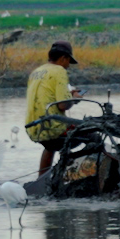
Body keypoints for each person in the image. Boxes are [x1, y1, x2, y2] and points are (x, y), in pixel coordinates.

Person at [25, 41, 83, 176]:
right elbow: (63, 105)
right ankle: (74, 174)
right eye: (68, 61)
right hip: (53, 127)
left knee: (50, 146)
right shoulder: (59, 71)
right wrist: (75, 98)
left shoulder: (36, 71)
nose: (68, 66)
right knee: (94, 137)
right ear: (63, 58)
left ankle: (41, 179)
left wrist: (70, 94)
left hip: (35, 127)